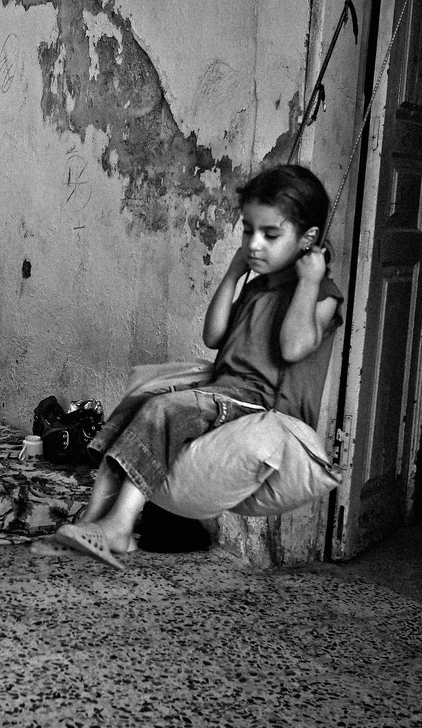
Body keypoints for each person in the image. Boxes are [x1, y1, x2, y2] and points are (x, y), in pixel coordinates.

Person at [46, 164, 344, 568]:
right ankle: (94, 515)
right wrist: (233, 273)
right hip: (227, 390)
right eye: (247, 231)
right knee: (143, 398)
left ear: (308, 240)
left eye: (270, 235)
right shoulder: (259, 283)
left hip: (261, 404)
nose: (254, 244)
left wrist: (309, 280)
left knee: (161, 410)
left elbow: (293, 348)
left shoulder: (322, 294)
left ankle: (119, 524)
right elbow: (214, 336)